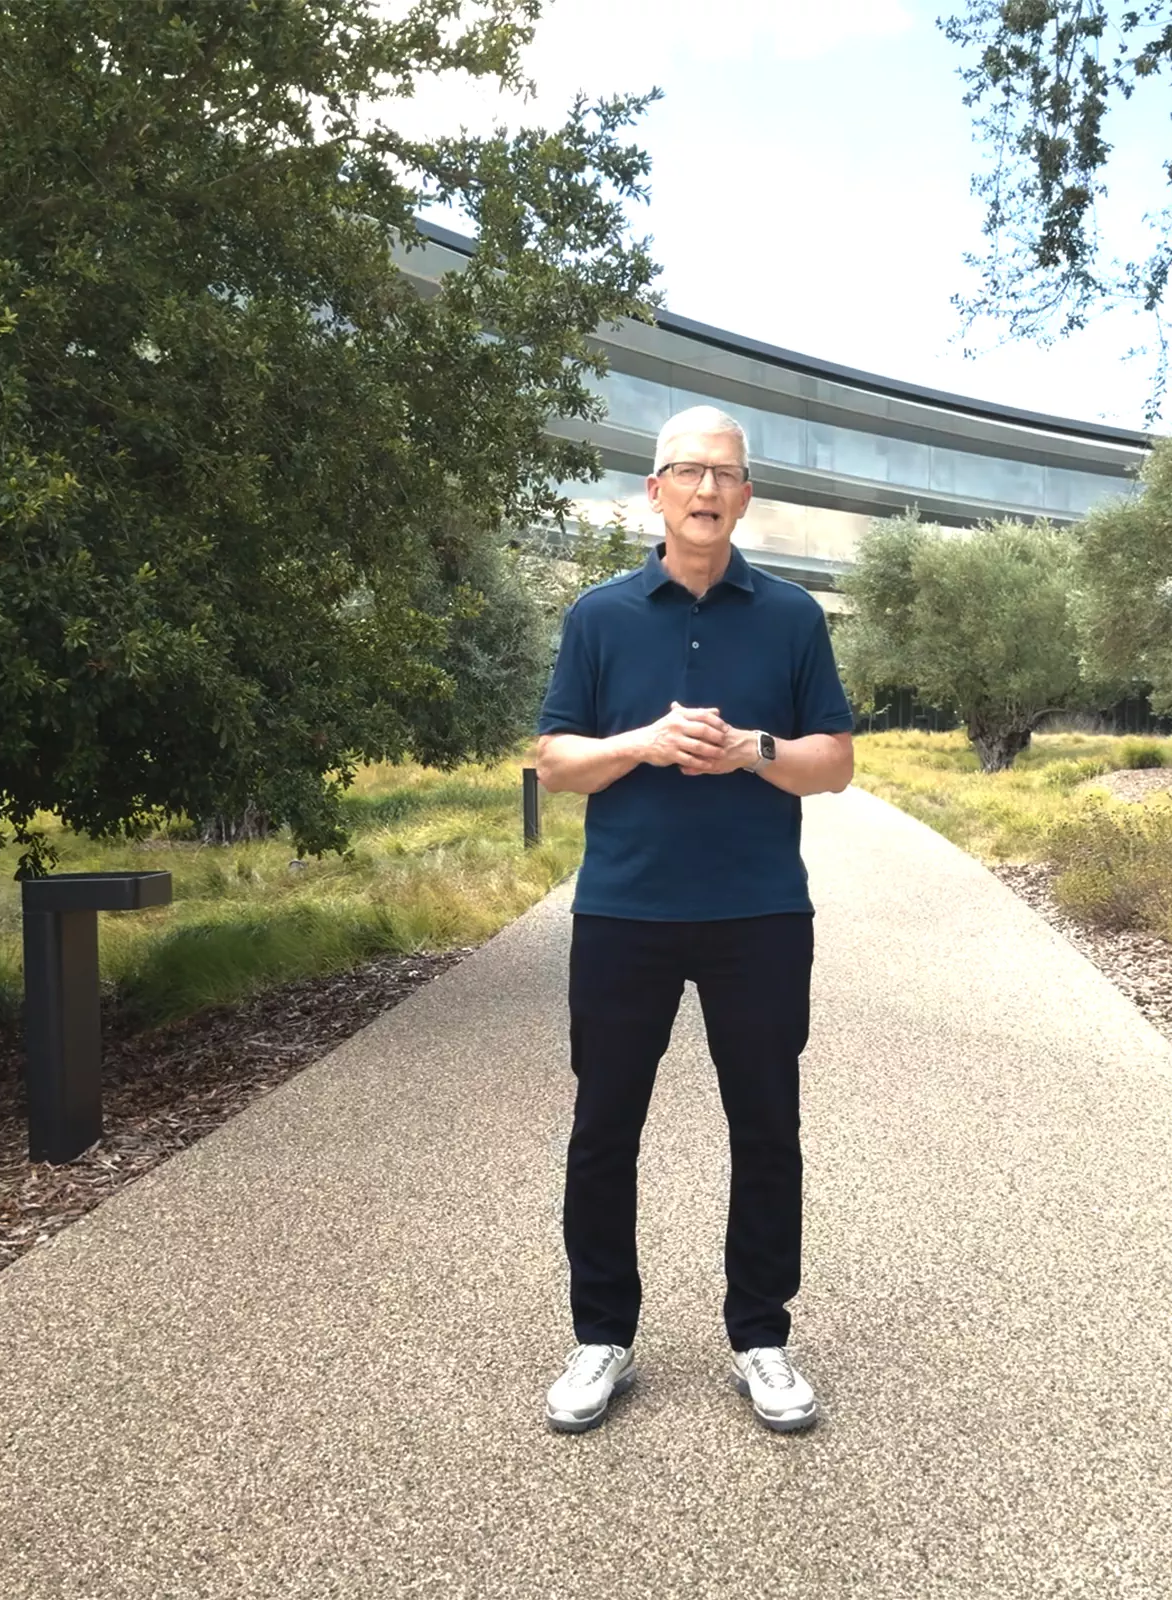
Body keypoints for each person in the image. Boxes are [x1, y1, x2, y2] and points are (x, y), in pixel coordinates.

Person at [531, 405, 857, 1435]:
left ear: (746, 495)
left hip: (759, 914)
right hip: (624, 913)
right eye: (688, 471)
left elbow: (836, 765)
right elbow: (556, 761)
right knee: (603, 1128)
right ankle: (602, 1337)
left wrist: (756, 748)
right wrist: (643, 740)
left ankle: (761, 1337)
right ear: (655, 490)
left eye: (725, 474)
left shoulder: (794, 618)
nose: (707, 490)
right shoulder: (601, 616)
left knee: (766, 1128)